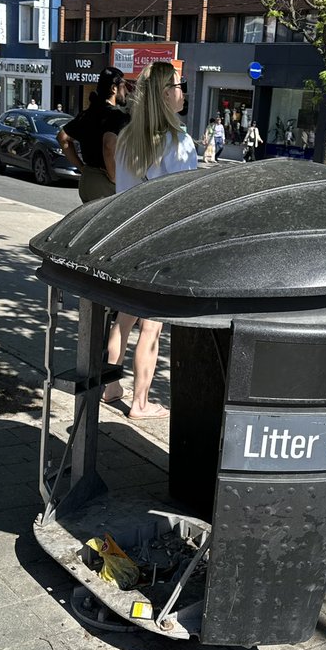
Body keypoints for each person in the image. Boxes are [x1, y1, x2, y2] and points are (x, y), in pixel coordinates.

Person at [105, 62, 197, 420]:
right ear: (164, 95)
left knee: (124, 319)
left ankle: (110, 386)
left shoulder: (128, 138)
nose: (183, 92)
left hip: (127, 239)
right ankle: (140, 403)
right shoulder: (180, 142)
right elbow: (186, 200)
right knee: (153, 327)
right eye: (178, 85)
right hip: (161, 244)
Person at [57, 67, 129, 203]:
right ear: (114, 88)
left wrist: (82, 168)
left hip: (87, 179)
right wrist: (114, 176)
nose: (126, 91)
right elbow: (108, 145)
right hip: (104, 181)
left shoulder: (87, 113)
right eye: (123, 86)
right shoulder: (116, 116)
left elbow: (63, 138)